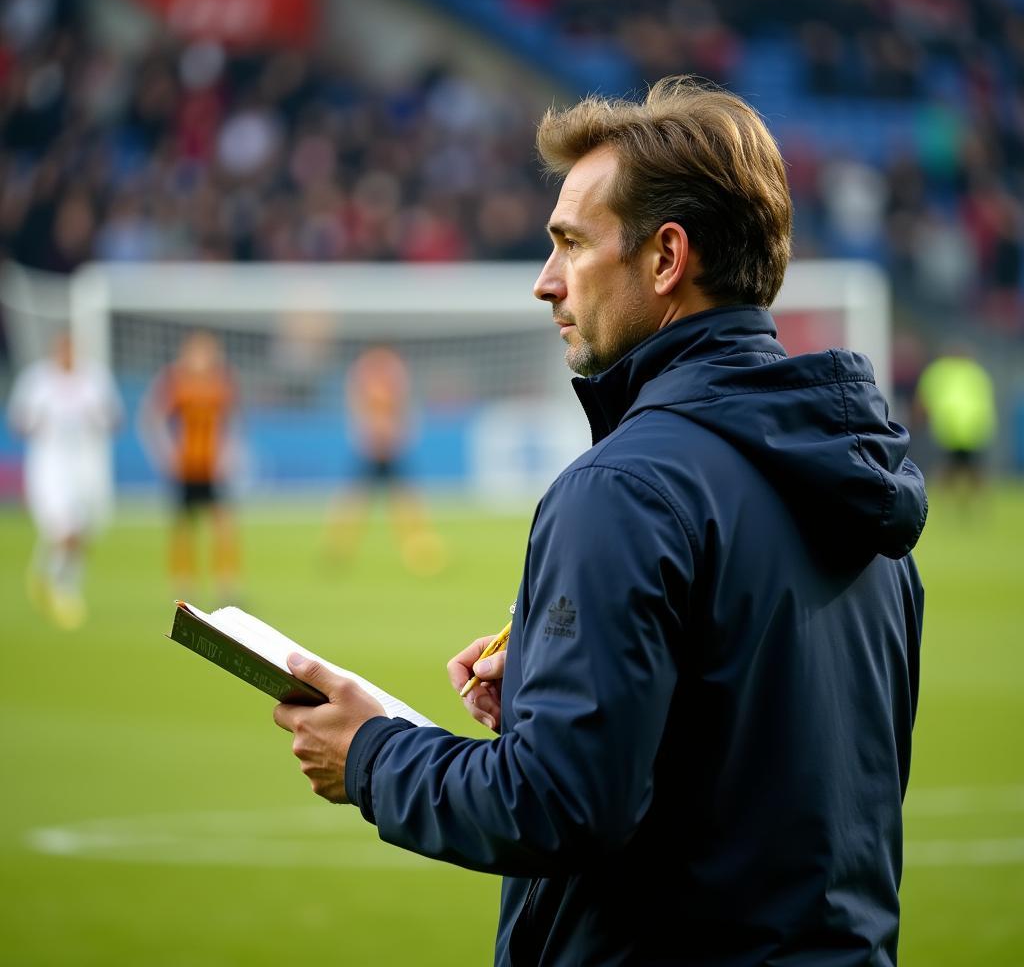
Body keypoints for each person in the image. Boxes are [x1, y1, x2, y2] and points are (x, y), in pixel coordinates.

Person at [273, 77, 927, 966]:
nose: (546, 283)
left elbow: (558, 806)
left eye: (571, 243)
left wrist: (371, 756)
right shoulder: (862, 487)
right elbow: (767, 770)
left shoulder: (626, 488)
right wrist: (566, 681)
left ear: (665, 259)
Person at [7, 331, 122, 629]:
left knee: (84, 530)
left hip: (89, 465)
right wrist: (37, 423)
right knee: (66, 527)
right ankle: (59, 589)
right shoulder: (37, 381)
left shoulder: (94, 378)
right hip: (50, 466)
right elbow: (18, 422)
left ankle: (53, 578)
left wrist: (98, 418)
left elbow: (114, 419)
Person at [139, 330, 241, 601]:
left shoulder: (221, 382)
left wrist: (227, 454)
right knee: (184, 526)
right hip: (185, 466)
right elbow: (153, 418)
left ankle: (226, 586)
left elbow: (230, 422)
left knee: (223, 525)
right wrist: (165, 454)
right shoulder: (175, 381)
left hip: (212, 467)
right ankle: (183, 587)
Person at [325, 345, 445, 575]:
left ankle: (339, 548)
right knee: (378, 499)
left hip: (383, 446)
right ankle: (418, 550)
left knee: (391, 499)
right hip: (378, 447)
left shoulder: (372, 373)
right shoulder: (382, 375)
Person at [914, 346, 997, 507]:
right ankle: (972, 504)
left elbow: (923, 398)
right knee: (965, 469)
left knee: (959, 469)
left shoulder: (940, 371)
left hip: (957, 429)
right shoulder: (974, 372)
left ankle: (951, 503)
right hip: (963, 429)